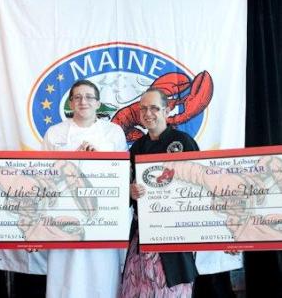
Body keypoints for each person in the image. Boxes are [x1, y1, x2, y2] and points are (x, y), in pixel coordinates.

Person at [43, 79, 128, 298]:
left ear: (98, 103)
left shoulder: (113, 132)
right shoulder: (55, 133)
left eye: (89, 97)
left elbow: (122, 173)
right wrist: (73, 159)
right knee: (65, 276)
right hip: (65, 217)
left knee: (102, 276)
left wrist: (97, 158)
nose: (83, 101)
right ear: (70, 103)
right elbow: (44, 175)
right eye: (77, 97)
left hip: (102, 218)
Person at [120, 87, 198, 297]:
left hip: (175, 236)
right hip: (142, 234)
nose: (148, 113)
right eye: (143, 108)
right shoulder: (137, 147)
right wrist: (130, 192)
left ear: (166, 110)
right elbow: (125, 191)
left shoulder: (183, 142)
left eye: (154, 108)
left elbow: (201, 187)